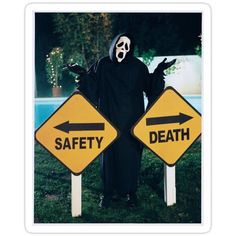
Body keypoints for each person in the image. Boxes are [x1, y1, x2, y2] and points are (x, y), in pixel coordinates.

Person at [67, 33, 176, 208]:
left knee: (131, 157)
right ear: (114, 46)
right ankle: (108, 193)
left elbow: (150, 86)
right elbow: (92, 86)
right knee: (108, 157)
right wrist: (82, 74)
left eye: (126, 46)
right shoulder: (103, 64)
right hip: (108, 119)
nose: (123, 49)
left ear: (130, 49)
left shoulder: (138, 67)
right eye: (120, 45)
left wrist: (158, 71)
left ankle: (130, 193)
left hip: (132, 121)